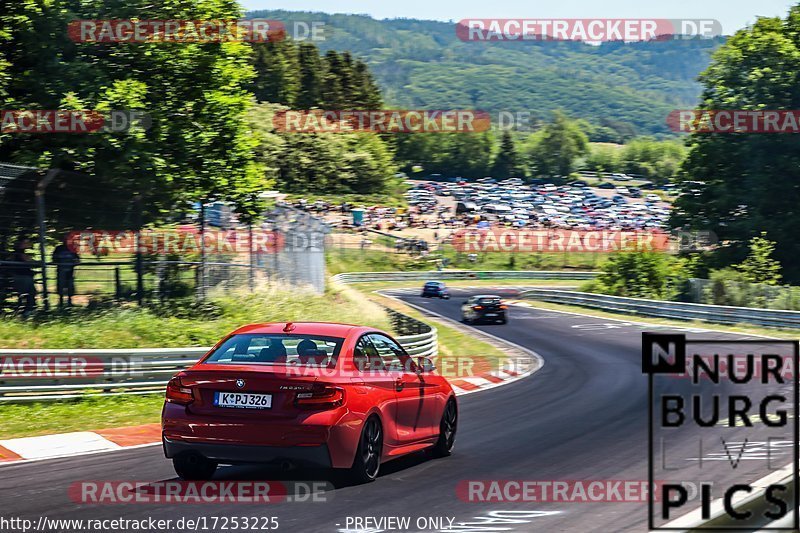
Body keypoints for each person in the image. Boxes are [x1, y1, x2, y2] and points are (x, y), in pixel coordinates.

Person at [10, 237, 36, 317]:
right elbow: (28, 261)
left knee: (27, 293)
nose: (28, 244)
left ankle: (25, 310)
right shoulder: (19, 253)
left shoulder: (18, 253)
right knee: (29, 293)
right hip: (23, 276)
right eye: (26, 243)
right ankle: (26, 311)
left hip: (22, 275)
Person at [52, 235, 80, 308]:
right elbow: (54, 259)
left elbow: (77, 260)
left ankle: (69, 302)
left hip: (70, 271)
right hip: (61, 270)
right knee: (61, 285)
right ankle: (60, 302)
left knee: (69, 285)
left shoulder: (72, 249)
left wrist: (74, 263)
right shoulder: (58, 248)